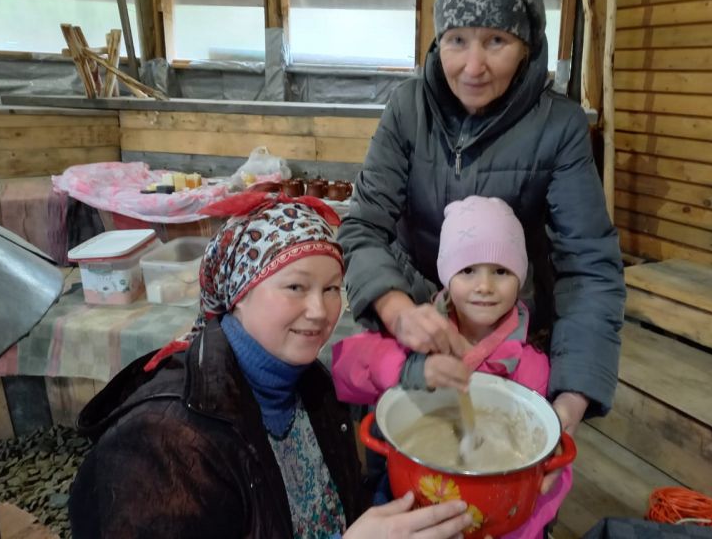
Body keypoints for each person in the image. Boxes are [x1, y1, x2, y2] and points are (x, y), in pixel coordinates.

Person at [337, 0, 626, 489]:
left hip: (509, 332)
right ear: (436, 41)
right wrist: (398, 311)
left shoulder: (559, 126)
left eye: (496, 41)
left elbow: (589, 266)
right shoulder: (408, 108)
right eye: (457, 40)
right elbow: (362, 227)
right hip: (415, 316)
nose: (473, 66)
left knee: (509, 477)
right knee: (396, 460)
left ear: (528, 45)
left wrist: (570, 400)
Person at [68, 192, 474, 539]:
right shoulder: (162, 442)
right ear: (239, 292)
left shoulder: (310, 387)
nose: (320, 311)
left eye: (332, 288)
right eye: (296, 286)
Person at [332, 196, 571, 539]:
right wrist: (410, 368)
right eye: (468, 270)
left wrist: (516, 528)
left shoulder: (531, 367)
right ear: (446, 275)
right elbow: (344, 370)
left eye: (501, 271)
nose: (485, 286)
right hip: (408, 505)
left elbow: (551, 476)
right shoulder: (420, 335)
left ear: (521, 279)